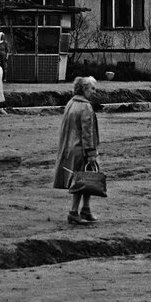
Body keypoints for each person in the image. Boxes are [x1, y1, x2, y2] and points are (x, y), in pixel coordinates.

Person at [54, 76, 102, 226]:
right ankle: (74, 212)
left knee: (86, 179)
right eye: (92, 88)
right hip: (81, 149)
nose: (94, 91)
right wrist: (91, 153)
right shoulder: (85, 107)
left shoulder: (71, 103)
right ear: (84, 89)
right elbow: (87, 133)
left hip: (70, 147)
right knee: (82, 181)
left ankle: (86, 209)